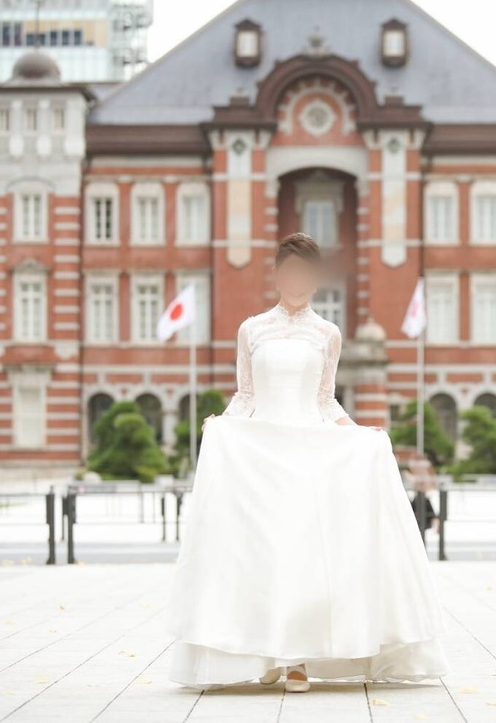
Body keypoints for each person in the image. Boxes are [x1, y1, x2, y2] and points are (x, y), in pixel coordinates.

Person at [165, 232, 450, 693]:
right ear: (278, 275)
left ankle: (296, 661)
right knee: (263, 557)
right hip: (261, 457)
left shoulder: (326, 334)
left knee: (301, 558)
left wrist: (359, 433)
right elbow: (246, 393)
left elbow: (325, 399)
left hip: (308, 455)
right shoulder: (252, 329)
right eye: (288, 270)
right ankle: (267, 655)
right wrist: (223, 423)